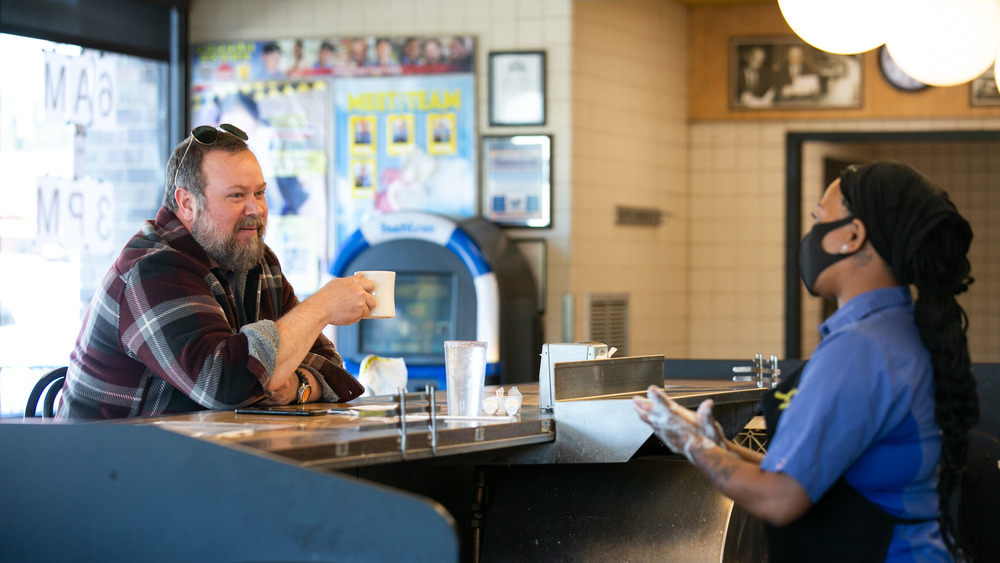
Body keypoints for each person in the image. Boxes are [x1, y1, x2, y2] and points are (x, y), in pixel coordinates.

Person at [635, 161, 979, 562]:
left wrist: (693, 447)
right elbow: (812, 476)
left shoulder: (860, 350)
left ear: (852, 235)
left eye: (819, 218)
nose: (811, 235)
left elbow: (780, 498)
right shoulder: (892, 332)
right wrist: (722, 446)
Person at [57, 124, 376, 419]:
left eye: (260, 193)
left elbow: (335, 372)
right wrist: (320, 308)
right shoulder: (152, 269)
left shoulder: (256, 259)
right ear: (187, 203)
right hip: (107, 466)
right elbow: (225, 383)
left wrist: (296, 386)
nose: (256, 209)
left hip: (194, 460)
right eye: (237, 195)